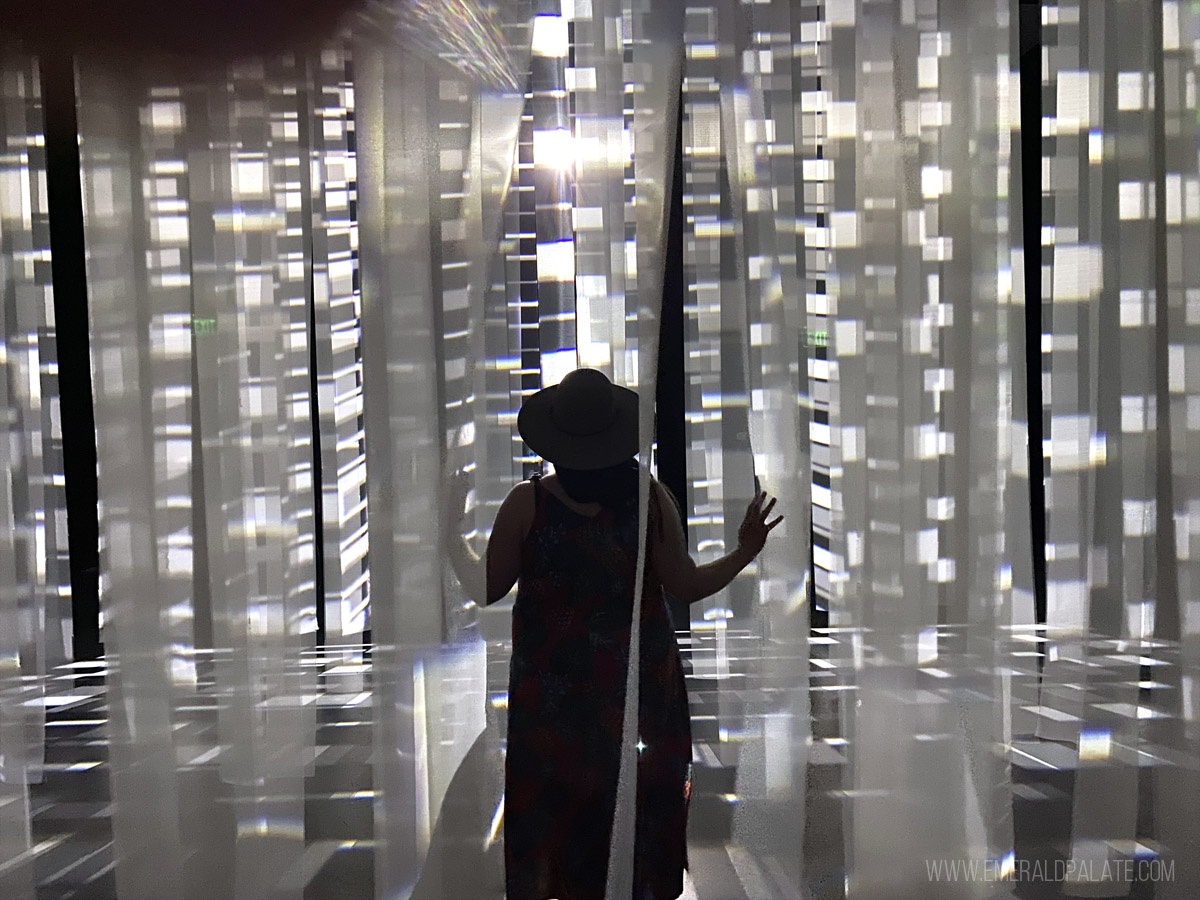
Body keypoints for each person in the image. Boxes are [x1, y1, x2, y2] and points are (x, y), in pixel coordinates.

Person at [443, 367, 782, 900]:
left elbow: (485, 586)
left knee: (562, 823)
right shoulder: (648, 501)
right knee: (638, 809)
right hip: (638, 693)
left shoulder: (526, 505)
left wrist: (449, 533)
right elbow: (687, 586)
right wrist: (744, 553)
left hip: (554, 707)